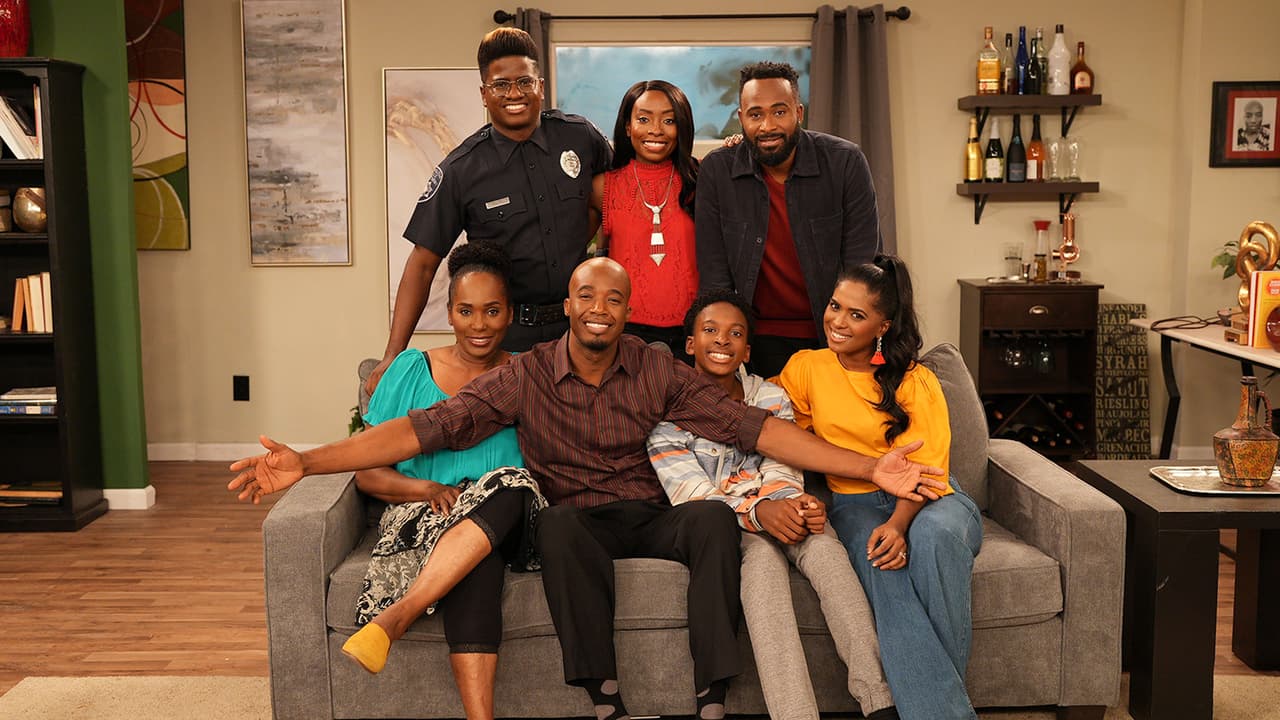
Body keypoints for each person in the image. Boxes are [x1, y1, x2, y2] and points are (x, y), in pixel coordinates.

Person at [229, 258, 947, 720]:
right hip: (575, 520)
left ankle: (710, 700)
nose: (600, 306)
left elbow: (754, 428)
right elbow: (424, 429)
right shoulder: (526, 373)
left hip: (650, 512)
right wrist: (309, 460)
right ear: (568, 306)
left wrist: (866, 468)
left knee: (711, 520)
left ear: (627, 310)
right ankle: (605, 700)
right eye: (586, 295)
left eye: (614, 297)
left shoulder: (656, 367)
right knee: (559, 524)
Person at [646, 289, 898, 720]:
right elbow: (693, 496)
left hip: (779, 506)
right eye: (710, 330)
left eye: (735, 333)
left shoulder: (771, 398)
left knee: (826, 549)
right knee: (762, 566)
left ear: (747, 350)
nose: (722, 340)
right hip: (729, 526)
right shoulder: (665, 415)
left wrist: (797, 505)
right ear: (690, 343)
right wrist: (758, 514)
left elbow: (783, 465)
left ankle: (879, 702)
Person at [341, 242, 545, 720]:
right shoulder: (411, 370)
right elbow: (368, 471)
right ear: (449, 313)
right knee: (477, 559)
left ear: (509, 313)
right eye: (466, 311)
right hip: (426, 516)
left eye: (492, 311)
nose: (479, 325)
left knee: (512, 485)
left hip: (510, 515)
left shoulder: (528, 373)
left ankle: (397, 616)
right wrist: (427, 489)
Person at [776, 256, 985, 720]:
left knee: (934, 537)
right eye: (835, 306)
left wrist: (898, 524)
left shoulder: (916, 380)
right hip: (854, 503)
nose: (838, 321)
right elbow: (772, 421)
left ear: (882, 326)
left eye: (856, 315)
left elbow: (928, 471)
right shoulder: (807, 368)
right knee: (883, 570)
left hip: (932, 499)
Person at [366, 27, 612, 395]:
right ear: (484, 94)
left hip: (579, 330)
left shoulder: (580, 137)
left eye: (524, 82)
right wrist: (392, 355)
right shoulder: (461, 169)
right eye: (500, 85)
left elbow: (610, 206)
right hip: (509, 340)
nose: (514, 93)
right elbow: (422, 265)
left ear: (541, 86)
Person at [696, 61, 881, 378]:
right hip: (754, 341)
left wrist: (849, 345)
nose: (767, 126)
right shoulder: (718, 171)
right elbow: (715, 277)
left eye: (779, 112)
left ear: (799, 112)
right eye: (755, 115)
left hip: (832, 335)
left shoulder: (844, 162)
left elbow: (861, 267)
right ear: (741, 118)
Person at [593, 80, 699, 361]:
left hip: (692, 333)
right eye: (643, 119)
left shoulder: (701, 179)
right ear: (628, 127)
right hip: (625, 333)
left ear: (682, 127)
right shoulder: (604, 187)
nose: (656, 130)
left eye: (669, 120)